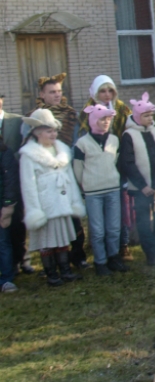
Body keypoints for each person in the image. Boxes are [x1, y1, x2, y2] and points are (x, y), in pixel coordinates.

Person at [19, 108, 87, 286]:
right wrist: (35, 210)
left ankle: (65, 270)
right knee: (47, 239)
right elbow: (28, 186)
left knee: (62, 237)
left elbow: (70, 179)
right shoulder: (29, 155)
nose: (53, 134)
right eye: (49, 131)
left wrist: (73, 201)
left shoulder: (62, 151)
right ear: (38, 133)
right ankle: (51, 273)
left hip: (62, 202)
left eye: (55, 131)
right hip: (45, 204)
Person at [35, 74, 88, 269]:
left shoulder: (70, 114)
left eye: (59, 91)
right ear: (42, 94)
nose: (57, 95)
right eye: (52, 92)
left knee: (73, 216)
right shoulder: (36, 116)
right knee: (52, 219)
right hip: (46, 175)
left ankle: (77, 256)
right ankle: (55, 261)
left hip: (67, 170)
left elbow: (76, 143)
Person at [119, 93, 155, 266]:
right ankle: (151, 253)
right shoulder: (129, 136)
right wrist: (142, 186)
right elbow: (127, 163)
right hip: (141, 189)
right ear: (137, 117)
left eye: (151, 115)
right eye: (145, 116)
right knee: (144, 222)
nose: (150, 119)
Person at [73, 104, 124, 275]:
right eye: (102, 119)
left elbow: (115, 161)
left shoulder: (114, 140)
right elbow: (78, 169)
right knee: (97, 229)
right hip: (93, 192)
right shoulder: (82, 143)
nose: (106, 122)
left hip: (112, 189)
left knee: (114, 227)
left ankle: (114, 257)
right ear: (93, 120)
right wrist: (86, 185)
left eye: (109, 119)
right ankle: (100, 262)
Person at [0, 94, 31, 278]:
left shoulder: (17, 121)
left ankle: (22, 259)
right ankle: (10, 265)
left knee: (18, 223)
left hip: (17, 179)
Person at [0, 134, 18, 292]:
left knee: (3, 243)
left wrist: (8, 205)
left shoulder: (4, 152)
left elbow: (10, 181)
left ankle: (6, 279)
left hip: (2, 206)